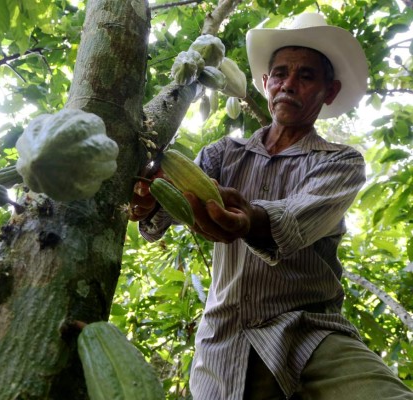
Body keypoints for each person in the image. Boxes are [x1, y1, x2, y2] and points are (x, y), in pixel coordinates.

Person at [130, 12, 413, 400]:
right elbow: (160, 213)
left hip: (310, 333)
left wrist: (249, 218)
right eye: (280, 74)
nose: (289, 85)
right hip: (224, 342)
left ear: (329, 92)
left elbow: (296, 217)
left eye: (306, 76)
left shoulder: (339, 161)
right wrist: (146, 194)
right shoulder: (221, 153)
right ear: (265, 84)